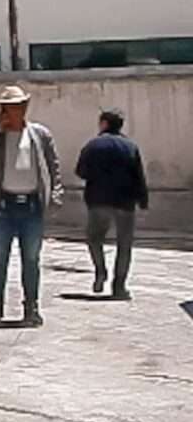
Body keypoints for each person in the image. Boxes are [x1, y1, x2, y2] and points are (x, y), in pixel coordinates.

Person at [0, 86, 63, 326]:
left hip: (31, 206)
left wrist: (55, 193)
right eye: (9, 108)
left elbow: (53, 166)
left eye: (18, 107)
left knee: (31, 258)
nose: (14, 112)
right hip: (3, 206)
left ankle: (31, 307)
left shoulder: (39, 134)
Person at [75, 108, 148, 300]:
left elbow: (80, 171)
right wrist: (143, 199)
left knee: (94, 239)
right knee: (124, 245)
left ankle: (100, 270)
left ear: (104, 123)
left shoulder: (92, 145)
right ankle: (119, 287)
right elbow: (138, 175)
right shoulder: (130, 146)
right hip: (125, 202)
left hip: (98, 200)